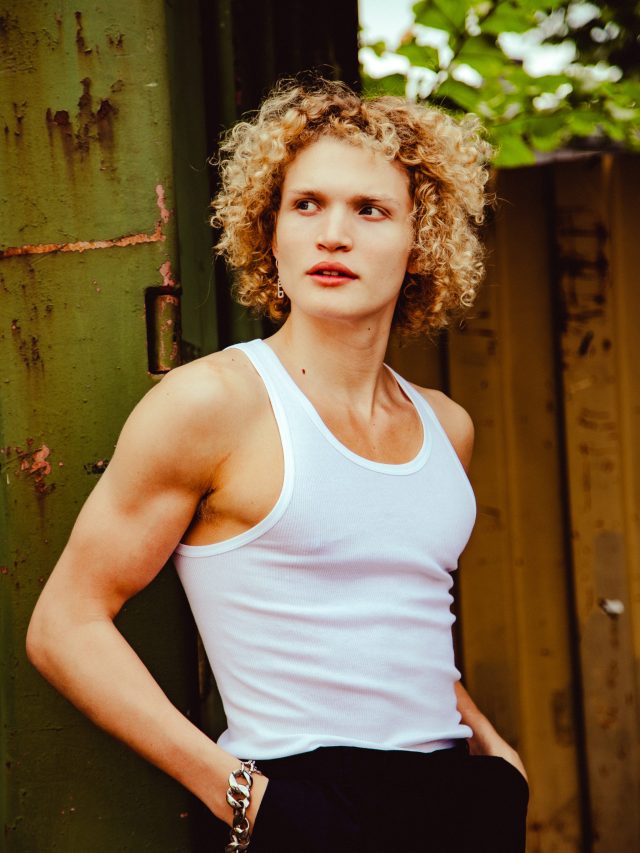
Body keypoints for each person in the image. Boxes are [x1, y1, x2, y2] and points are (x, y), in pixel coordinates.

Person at [27, 78, 528, 852]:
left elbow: (398, 615)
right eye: (306, 204)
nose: (333, 234)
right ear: (271, 227)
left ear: (420, 239)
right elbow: (64, 625)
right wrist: (245, 796)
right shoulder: (214, 403)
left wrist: (496, 755)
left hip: (459, 798)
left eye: (370, 209)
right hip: (302, 800)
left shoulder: (445, 425)